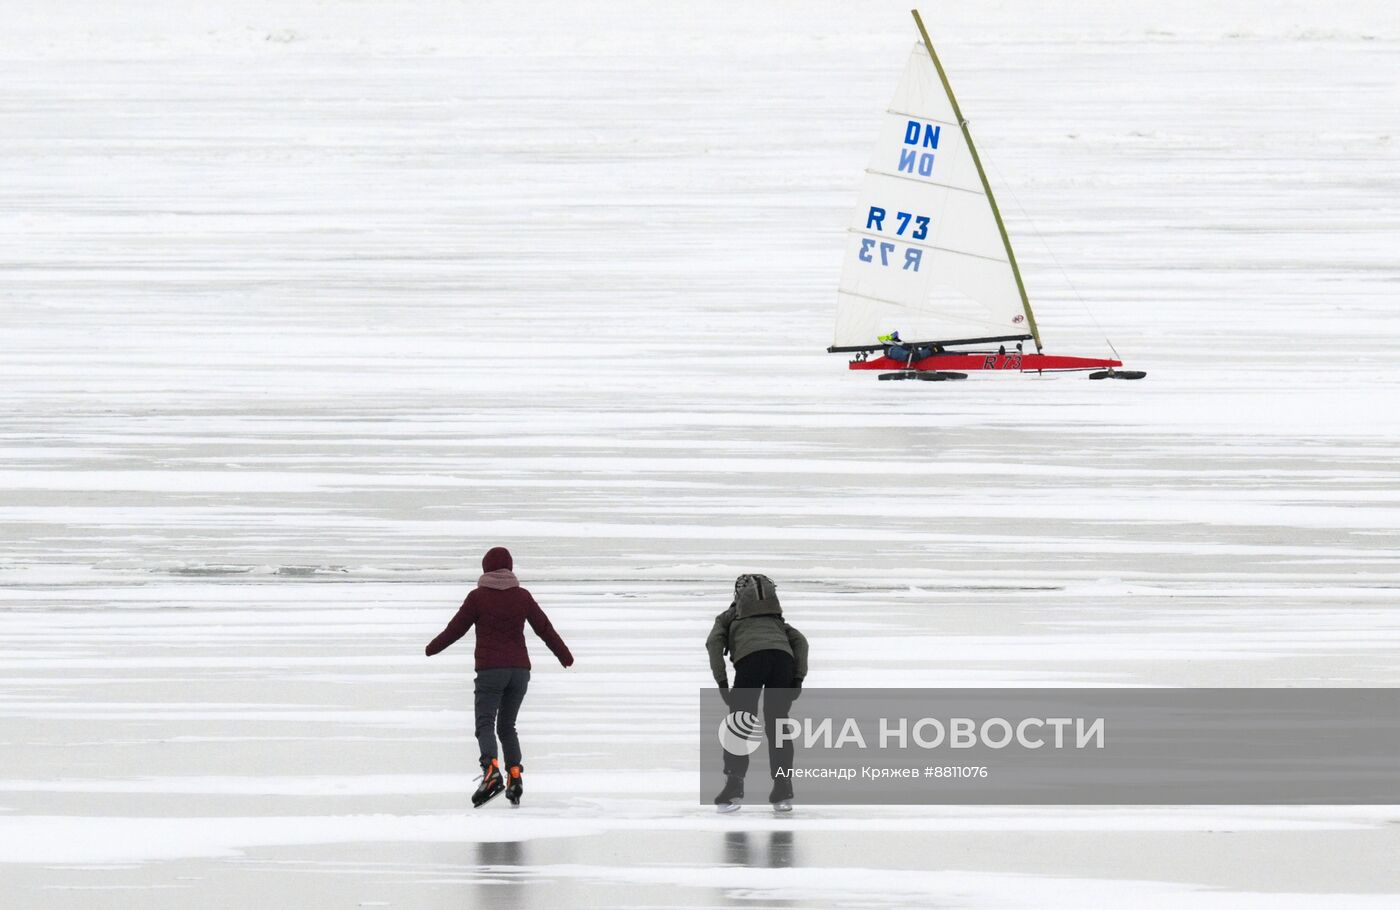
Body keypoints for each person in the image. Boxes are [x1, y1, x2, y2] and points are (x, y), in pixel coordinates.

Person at [425, 546, 573, 808]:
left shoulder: (477, 597)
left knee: (485, 722)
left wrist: (432, 648)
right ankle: (514, 777)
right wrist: (565, 656)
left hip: (490, 671)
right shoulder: (522, 596)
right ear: (510, 568)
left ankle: (491, 772)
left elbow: (455, 629)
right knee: (507, 726)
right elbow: (545, 629)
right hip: (519, 673)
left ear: (485, 568)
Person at [706, 574, 809, 812]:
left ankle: (734, 787)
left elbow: (713, 645)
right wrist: (798, 678)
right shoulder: (777, 621)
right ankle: (783, 788)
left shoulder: (728, 617)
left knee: (740, 723)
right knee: (778, 724)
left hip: (750, 661)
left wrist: (722, 682)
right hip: (782, 661)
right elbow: (801, 642)